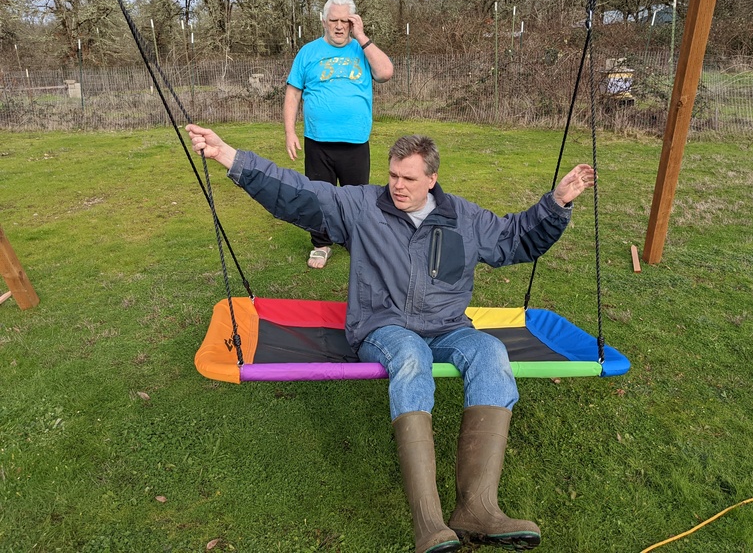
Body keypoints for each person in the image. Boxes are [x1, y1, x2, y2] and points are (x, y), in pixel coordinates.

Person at [186, 123, 596, 553]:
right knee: (412, 354)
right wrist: (229, 157)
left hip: (448, 327)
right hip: (382, 326)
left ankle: (477, 508)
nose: (397, 186)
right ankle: (428, 521)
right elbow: (298, 193)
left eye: (409, 179)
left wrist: (557, 203)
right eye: (393, 175)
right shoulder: (363, 206)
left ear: (432, 179)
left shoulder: (464, 217)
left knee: (491, 351)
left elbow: (514, 240)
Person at [284, 0, 394, 269]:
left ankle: (357, 241)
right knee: (318, 195)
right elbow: (293, 93)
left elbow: (386, 73)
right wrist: (289, 132)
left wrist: (363, 36)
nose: (339, 26)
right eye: (333, 20)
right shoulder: (308, 53)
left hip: (355, 142)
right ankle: (321, 245)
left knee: (357, 197)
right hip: (318, 142)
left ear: (353, 22)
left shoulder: (362, 49)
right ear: (323, 21)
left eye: (345, 20)